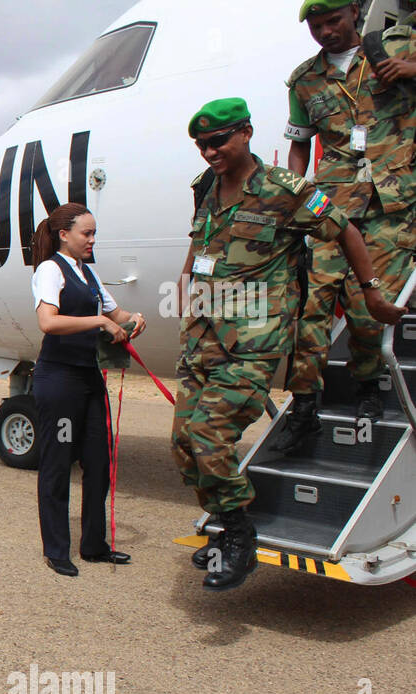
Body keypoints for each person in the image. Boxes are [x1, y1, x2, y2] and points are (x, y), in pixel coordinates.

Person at [174, 98, 402, 591]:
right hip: (201, 335)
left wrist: (372, 293)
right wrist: (184, 282)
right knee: (183, 447)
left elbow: (346, 233)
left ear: (246, 134)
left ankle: (238, 536)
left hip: (254, 338)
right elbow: (202, 241)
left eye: (218, 141)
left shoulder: (286, 191)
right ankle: (224, 521)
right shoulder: (206, 186)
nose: (209, 151)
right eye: (201, 144)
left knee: (210, 439)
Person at [274, 0, 416, 452]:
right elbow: (299, 144)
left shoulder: (400, 44)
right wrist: (297, 192)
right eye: (316, 26)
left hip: (391, 201)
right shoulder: (304, 80)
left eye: (332, 21)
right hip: (330, 204)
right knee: (311, 304)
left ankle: (368, 387)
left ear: (355, 11)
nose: (325, 32)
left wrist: (408, 69)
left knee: (367, 303)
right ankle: (303, 405)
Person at [30, 203, 145, 577]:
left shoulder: (88, 274)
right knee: (58, 463)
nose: (93, 240)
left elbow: (115, 314)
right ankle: (57, 550)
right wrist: (99, 321)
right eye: (87, 233)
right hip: (59, 380)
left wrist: (133, 319)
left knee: (99, 462)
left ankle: (94, 544)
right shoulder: (50, 270)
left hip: (88, 379)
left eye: (94, 233)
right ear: (64, 235)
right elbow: (48, 322)